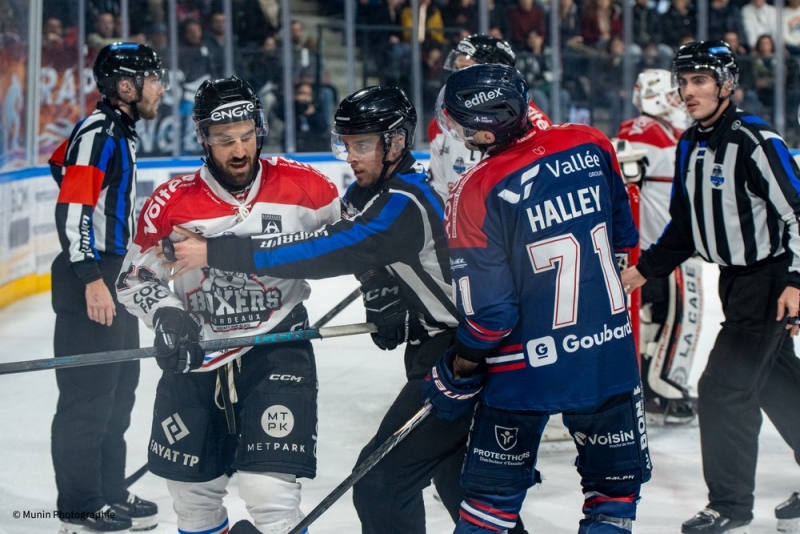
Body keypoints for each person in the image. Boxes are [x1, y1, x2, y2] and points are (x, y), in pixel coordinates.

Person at [159, 85, 529, 533]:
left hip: (467, 354)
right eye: (345, 144)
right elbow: (361, 248)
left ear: (395, 142)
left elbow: (327, 249)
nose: (351, 157)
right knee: (458, 484)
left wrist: (216, 252)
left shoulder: (403, 201)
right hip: (443, 347)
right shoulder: (371, 194)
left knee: (382, 486)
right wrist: (378, 290)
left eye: (362, 145)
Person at [427, 62, 651, 534]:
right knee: (612, 501)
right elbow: (622, 239)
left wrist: (458, 368)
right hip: (607, 357)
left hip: (523, 371)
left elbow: (491, 314)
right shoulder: (591, 142)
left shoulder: (476, 188)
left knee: (491, 504)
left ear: (485, 131)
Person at [115, 75, 340, 534]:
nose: (238, 150)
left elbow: (358, 247)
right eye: (223, 141)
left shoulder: (307, 186)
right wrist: (166, 312)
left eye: (246, 136)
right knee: (192, 496)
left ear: (259, 128)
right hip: (196, 354)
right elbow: (134, 276)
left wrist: (384, 290)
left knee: (269, 493)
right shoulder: (171, 202)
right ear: (203, 138)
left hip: (278, 343)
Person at [620, 40, 800, 533]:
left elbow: (799, 212)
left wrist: (796, 281)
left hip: (769, 283)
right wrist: (644, 269)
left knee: (723, 388)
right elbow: (685, 227)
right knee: (778, 382)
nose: (688, 91)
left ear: (726, 84)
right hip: (736, 281)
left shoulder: (756, 141)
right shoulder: (690, 144)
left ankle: (731, 507)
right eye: (683, 82)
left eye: (699, 80)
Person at [49, 42, 167, 534]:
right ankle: (79, 506)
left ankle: (108, 492)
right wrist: (92, 277)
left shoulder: (116, 131)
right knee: (88, 398)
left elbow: (60, 164)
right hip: (92, 280)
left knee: (119, 393)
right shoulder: (98, 133)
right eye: (153, 79)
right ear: (126, 86)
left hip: (114, 275)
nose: (160, 88)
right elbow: (72, 210)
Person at [615, 68, 701, 424]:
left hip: (657, 249)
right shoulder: (647, 131)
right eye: (673, 91)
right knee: (674, 317)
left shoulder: (664, 131)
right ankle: (661, 388)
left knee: (655, 319)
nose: (679, 97)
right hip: (659, 250)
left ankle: (652, 387)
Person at [427, 33, 551, 201]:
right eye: (456, 69)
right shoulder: (442, 124)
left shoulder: (535, 124)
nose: (456, 79)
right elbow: (440, 195)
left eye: (465, 70)